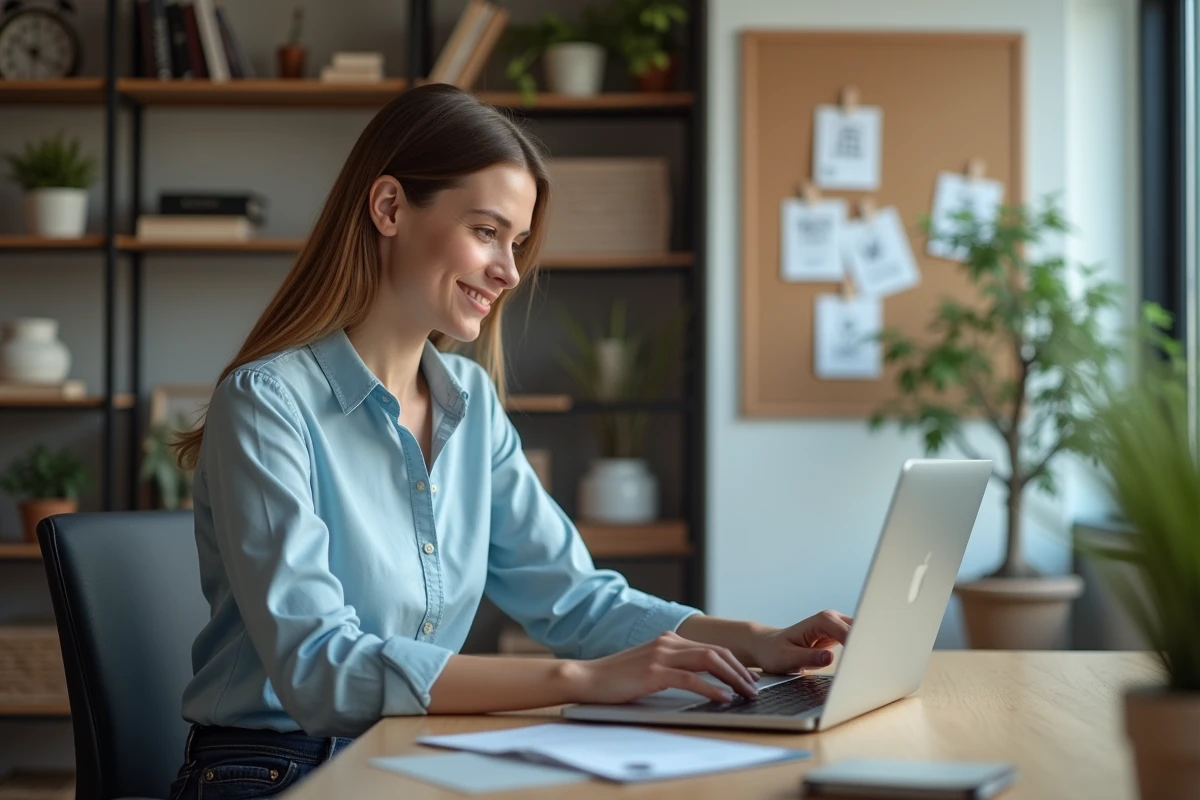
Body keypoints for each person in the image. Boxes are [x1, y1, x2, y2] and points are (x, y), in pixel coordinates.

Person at [165, 84, 853, 800]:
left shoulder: (473, 406)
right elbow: (321, 670)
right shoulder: (267, 404)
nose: (510, 271)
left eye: (516, 242)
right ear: (390, 208)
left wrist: (754, 640)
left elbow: (575, 602)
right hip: (273, 771)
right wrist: (583, 682)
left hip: (407, 753)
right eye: (487, 231)